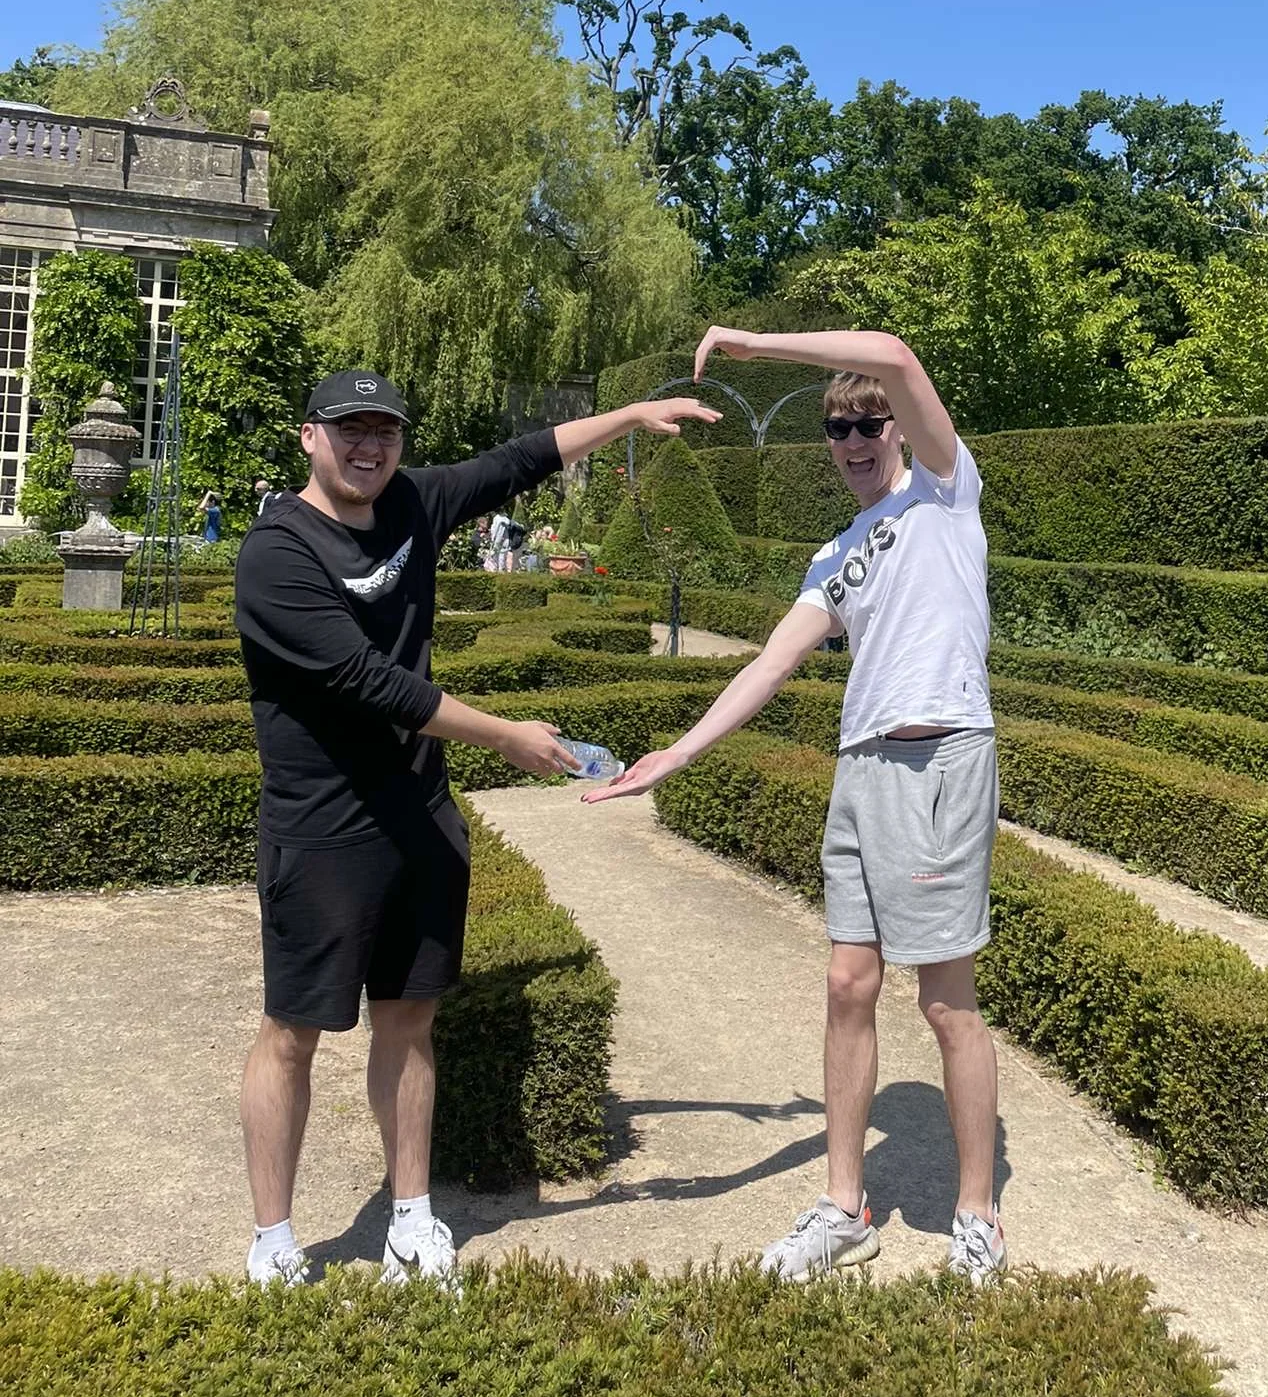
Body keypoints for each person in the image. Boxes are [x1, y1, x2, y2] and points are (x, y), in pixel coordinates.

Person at [235, 368, 718, 1288]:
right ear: (310, 438)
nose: (369, 447)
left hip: (418, 822)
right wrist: (509, 737)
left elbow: (517, 462)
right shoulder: (275, 552)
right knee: (292, 1033)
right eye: (349, 431)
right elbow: (374, 686)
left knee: (409, 1023)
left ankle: (412, 1218)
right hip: (323, 830)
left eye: (385, 430)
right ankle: (273, 1237)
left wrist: (626, 417)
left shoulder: (414, 502)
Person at [585, 326, 1005, 1285]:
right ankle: (843, 1203)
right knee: (846, 987)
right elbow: (771, 665)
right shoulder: (836, 553)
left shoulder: (945, 490)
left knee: (946, 1006)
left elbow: (894, 350)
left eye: (867, 422)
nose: (853, 440)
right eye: (837, 427)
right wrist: (676, 754)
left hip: (937, 760)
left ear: (900, 427)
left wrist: (744, 341)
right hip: (861, 770)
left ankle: (976, 1213)